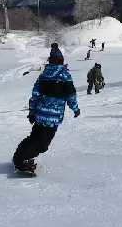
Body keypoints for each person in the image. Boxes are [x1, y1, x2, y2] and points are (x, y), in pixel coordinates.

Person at [12, 43, 80, 174]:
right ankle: (22, 160)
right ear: (61, 61)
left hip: (40, 115)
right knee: (42, 144)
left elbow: (35, 96)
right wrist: (75, 109)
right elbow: (71, 95)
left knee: (34, 137)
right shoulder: (65, 76)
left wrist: (32, 113)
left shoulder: (43, 76)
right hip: (52, 118)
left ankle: (19, 156)